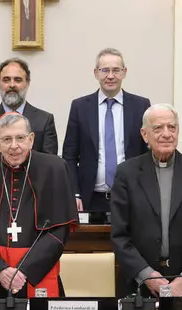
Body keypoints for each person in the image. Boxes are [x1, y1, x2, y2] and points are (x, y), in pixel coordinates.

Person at [0, 113, 78, 299]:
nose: (14, 146)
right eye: (7, 139)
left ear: (31, 140)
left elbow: (59, 231)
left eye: (20, 138)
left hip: (39, 274)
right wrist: (0, 270)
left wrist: (24, 271)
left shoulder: (55, 169)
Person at [110, 104, 182, 298]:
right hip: (140, 286)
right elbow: (119, 235)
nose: (167, 134)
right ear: (145, 135)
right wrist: (147, 276)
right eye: (158, 128)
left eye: (172, 127)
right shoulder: (126, 173)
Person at [62, 48, 151, 213]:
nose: (110, 76)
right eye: (105, 70)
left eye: (116, 70)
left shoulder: (141, 106)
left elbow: (147, 153)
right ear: (96, 73)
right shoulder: (80, 107)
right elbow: (70, 155)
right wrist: (74, 194)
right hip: (91, 198)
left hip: (132, 197)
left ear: (124, 72)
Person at [0, 58, 57, 170]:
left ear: (27, 83)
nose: (12, 85)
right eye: (6, 80)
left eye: (18, 80)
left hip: (35, 187)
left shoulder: (45, 121)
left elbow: (49, 165)